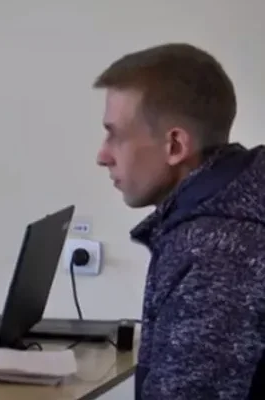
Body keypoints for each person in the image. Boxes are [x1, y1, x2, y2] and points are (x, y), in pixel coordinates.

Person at [93, 42, 265, 399]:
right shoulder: (231, 207)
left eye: (115, 135)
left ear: (174, 146)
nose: (102, 155)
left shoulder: (216, 250)